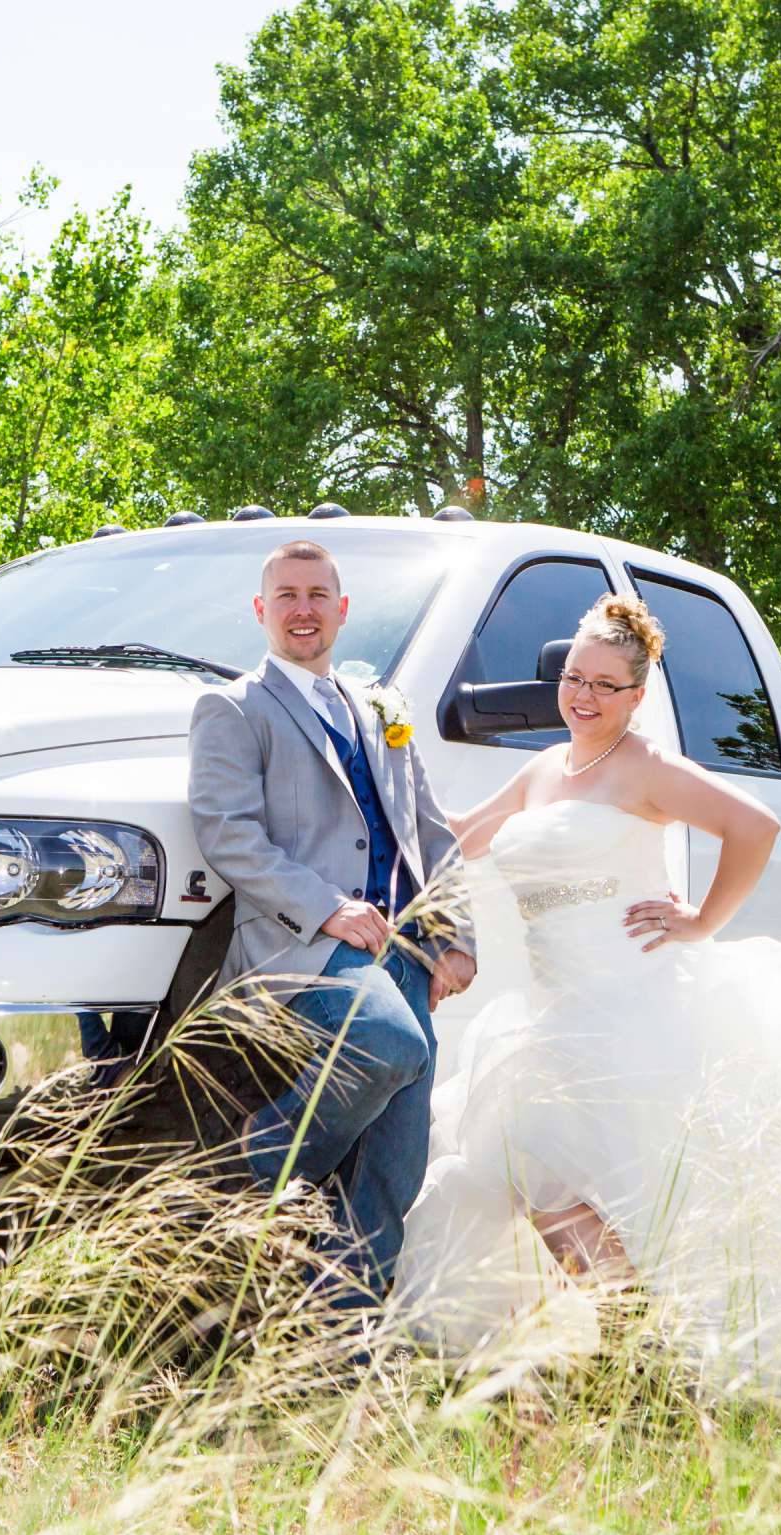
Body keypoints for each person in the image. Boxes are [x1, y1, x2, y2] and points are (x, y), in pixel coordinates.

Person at [397, 593, 781, 1400]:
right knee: (536, 1175)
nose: (583, 696)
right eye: (573, 678)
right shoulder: (543, 770)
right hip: (553, 1014)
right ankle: (637, 1347)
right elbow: (458, 835)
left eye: (604, 684)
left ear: (636, 695)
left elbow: (756, 825)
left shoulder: (648, 768)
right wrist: (389, 761)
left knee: (633, 1186)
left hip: (637, 1006)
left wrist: (701, 920)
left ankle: (646, 1359)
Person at [187, 539, 477, 1311]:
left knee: (396, 1157)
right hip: (302, 946)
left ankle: (342, 1339)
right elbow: (229, 835)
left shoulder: (378, 709)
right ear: (261, 610)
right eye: (287, 595)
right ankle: (242, 1177)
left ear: (343, 610)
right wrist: (329, 908)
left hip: (403, 953)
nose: (303, 609)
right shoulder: (234, 707)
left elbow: (428, 831)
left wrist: (453, 938)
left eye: (318, 595)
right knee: (390, 1044)